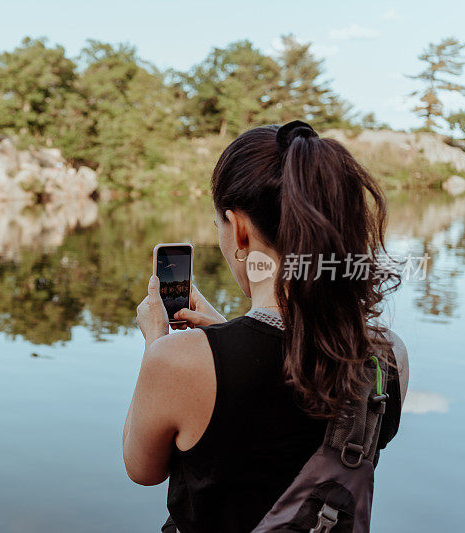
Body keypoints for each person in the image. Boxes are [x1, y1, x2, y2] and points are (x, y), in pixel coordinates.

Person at [122, 121, 409, 533]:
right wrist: (227, 332)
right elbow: (284, 392)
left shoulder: (178, 362)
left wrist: (156, 345)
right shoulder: (388, 356)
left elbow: (142, 469)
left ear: (238, 230)